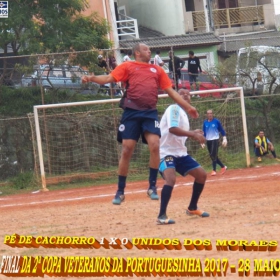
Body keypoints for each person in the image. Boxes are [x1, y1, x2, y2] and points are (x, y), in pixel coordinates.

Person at [82, 43, 199, 205]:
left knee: (155, 145)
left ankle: (152, 186)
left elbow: (171, 91)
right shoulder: (128, 66)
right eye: (145, 49)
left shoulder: (157, 70)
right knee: (127, 149)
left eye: (150, 49)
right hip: (131, 112)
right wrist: (91, 78)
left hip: (149, 112)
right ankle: (120, 191)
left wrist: (188, 107)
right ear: (137, 53)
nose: (149, 51)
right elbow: (109, 78)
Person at [157, 89, 209, 225]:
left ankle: (192, 208)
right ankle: (161, 215)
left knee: (201, 175)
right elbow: (172, 129)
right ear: (176, 97)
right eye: (182, 93)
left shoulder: (184, 114)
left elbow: (180, 132)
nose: (186, 95)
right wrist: (193, 134)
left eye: (188, 93)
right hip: (165, 152)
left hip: (180, 153)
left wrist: (193, 132)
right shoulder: (174, 108)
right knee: (171, 179)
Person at [202, 109, 227, 176]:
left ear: (212, 114)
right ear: (206, 115)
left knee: (213, 154)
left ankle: (214, 170)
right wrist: (202, 142)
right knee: (212, 155)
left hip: (215, 140)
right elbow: (204, 133)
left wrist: (224, 138)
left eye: (211, 113)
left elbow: (221, 130)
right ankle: (223, 166)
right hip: (208, 140)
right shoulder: (205, 123)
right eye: (208, 113)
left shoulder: (216, 121)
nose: (210, 114)